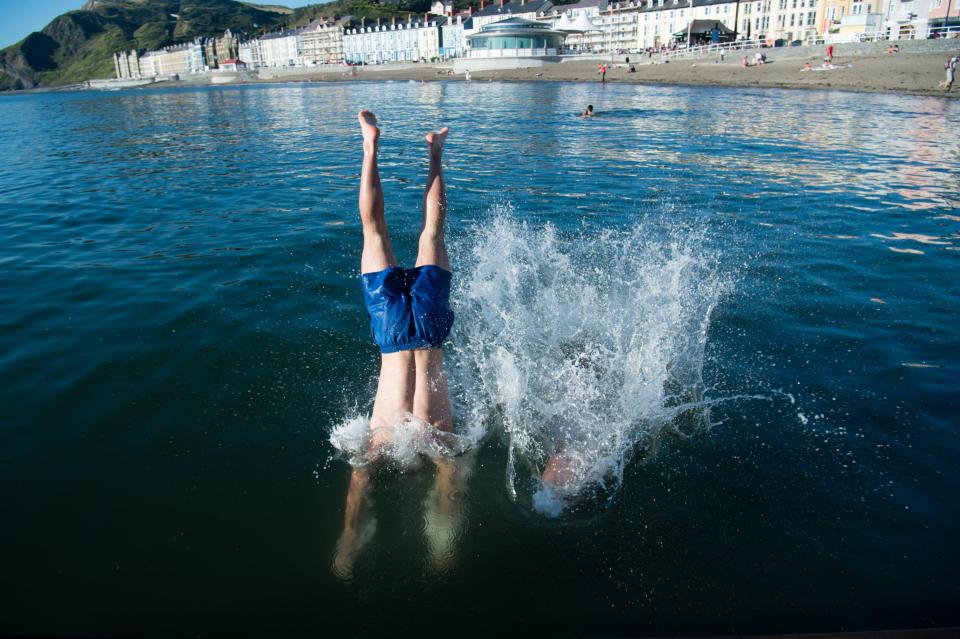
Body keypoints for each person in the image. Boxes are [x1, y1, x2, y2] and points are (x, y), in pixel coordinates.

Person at [333, 110, 466, 578]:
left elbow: (449, 492)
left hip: (426, 333)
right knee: (375, 230)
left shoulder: (436, 442)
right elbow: (358, 489)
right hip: (393, 333)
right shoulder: (381, 441)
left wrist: (442, 544)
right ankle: (371, 145)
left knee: (432, 231)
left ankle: (433, 151)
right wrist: (348, 540)